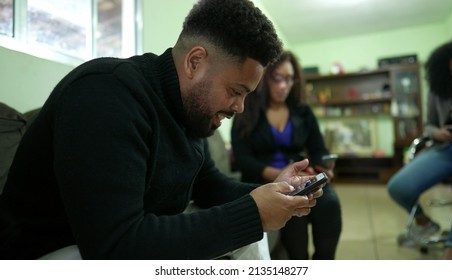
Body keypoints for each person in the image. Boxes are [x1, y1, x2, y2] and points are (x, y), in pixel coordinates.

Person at [0, 0, 324, 260]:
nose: (239, 107)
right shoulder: (105, 95)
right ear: (195, 62)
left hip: (112, 244)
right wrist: (253, 214)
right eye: (235, 91)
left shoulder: (190, 113)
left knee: (249, 237)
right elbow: (116, 248)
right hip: (52, 253)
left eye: (246, 96)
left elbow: (208, 184)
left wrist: (275, 194)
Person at [231, 50, 342, 259]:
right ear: (265, 78)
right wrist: (279, 175)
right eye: (278, 78)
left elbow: (318, 149)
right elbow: (242, 158)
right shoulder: (247, 109)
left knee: (330, 202)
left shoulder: (303, 111)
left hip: (300, 178)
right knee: (295, 212)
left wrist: (323, 168)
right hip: (264, 182)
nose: (284, 85)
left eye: (290, 79)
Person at [387, 34, 452, 260]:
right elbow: (429, 125)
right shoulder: (439, 89)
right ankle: (424, 222)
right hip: (448, 148)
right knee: (398, 186)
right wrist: (438, 133)